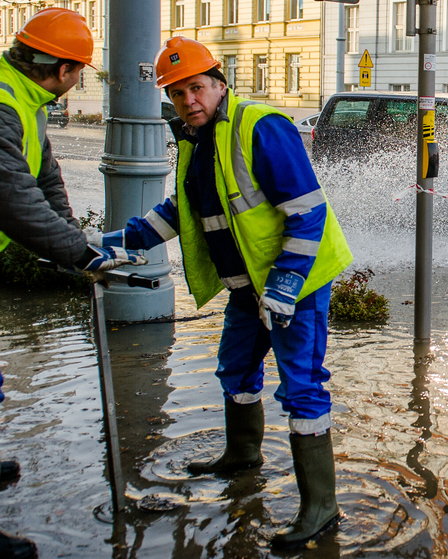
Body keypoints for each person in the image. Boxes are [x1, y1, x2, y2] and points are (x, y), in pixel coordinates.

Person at [93, 36, 353, 548]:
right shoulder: (194, 140)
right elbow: (181, 211)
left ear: (219, 84)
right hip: (246, 288)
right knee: (235, 370)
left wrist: (286, 281)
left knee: (301, 387)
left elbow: (307, 210)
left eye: (196, 88)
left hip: (293, 287)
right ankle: (242, 456)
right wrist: (123, 241)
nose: (188, 100)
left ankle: (321, 508)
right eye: (176, 93)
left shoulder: (261, 126)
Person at [0, 7, 147, 558]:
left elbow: (44, 179)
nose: (80, 80)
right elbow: (12, 196)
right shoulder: (3, 102)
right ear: (60, 69)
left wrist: (75, 247)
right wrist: (78, 254)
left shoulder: (25, 99)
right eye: (80, 70)